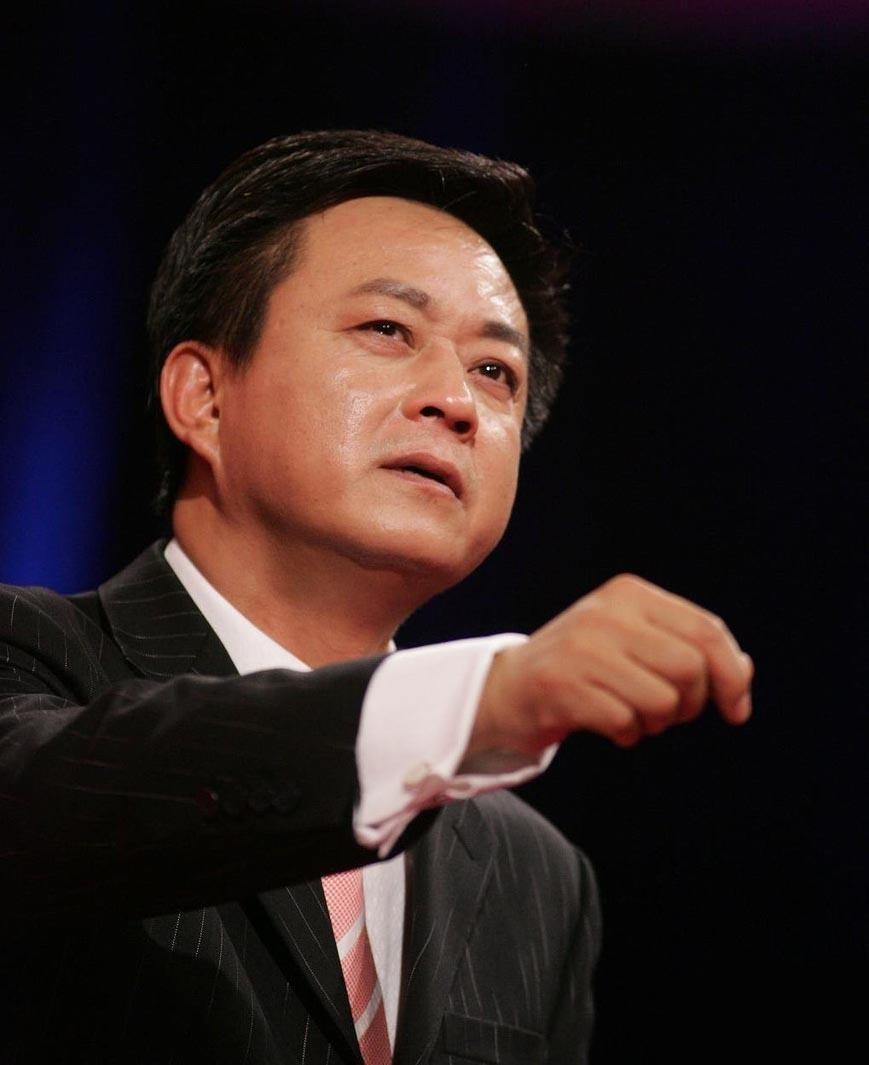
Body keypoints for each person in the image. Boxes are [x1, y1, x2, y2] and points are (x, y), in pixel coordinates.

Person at [0, 130, 753, 1064]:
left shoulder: (538, 875)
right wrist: (480, 698)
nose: (456, 402)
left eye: (495, 371)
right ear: (204, 396)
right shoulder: (30, 661)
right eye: (388, 331)